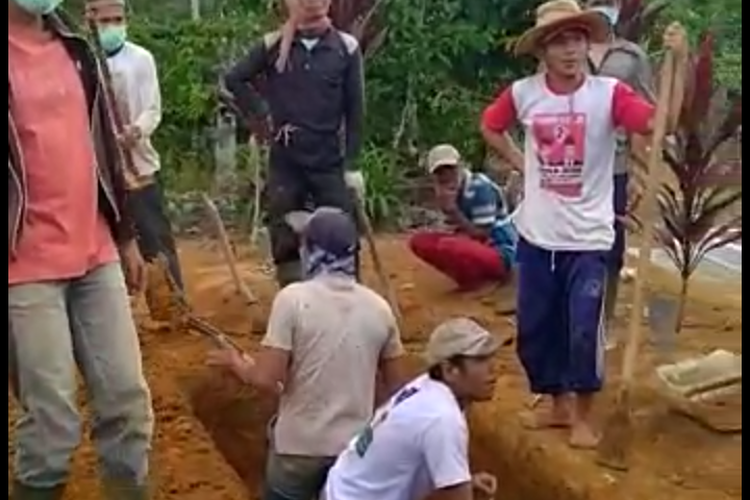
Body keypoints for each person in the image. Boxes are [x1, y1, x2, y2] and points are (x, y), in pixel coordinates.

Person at [480, 0, 686, 448]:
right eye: (559, 42)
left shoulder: (608, 93)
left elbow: (659, 122)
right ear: (543, 51)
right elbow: (491, 125)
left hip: (589, 236)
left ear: (586, 44)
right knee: (536, 327)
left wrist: (680, 63)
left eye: (576, 39)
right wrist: (520, 161)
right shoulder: (524, 94)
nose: (570, 50)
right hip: (537, 236)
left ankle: (584, 416)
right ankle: (556, 406)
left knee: (583, 326)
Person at [8, 1, 154, 499]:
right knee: (51, 423)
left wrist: (127, 233)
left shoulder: (75, 47)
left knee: (127, 402)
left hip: (96, 247)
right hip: (23, 262)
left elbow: (106, 148)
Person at [207, 206, 405, 500]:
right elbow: (399, 391)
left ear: (310, 250)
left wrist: (239, 364)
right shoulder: (379, 309)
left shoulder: (292, 300)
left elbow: (265, 380)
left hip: (298, 451)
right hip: (354, 452)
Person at [223, 0, 366, 288]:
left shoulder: (345, 48)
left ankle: (348, 295)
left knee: (342, 228)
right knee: (284, 230)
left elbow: (355, 110)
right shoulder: (274, 45)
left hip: (328, 159)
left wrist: (351, 164)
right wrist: (262, 111)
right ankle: (292, 297)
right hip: (286, 158)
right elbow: (235, 78)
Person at [323, 317, 500, 500]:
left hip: (346, 484)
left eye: (491, 357)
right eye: (480, 360)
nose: (494, 368)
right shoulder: (441, 418)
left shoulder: (425, 388)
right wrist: (461, 487)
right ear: (449, 370)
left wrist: (462, 482)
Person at [89, 0, 185, 290]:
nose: (112, 27)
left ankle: (171, 302)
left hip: (137, 162)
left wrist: (135, 132)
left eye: (117, 19)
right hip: (99, 170)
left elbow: (152, 108)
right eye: (105, 21)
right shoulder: (84, 59)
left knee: (154, 236)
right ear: (90, 21)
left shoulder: (140, 59)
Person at [586, 0, 655, 342]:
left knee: (611, 247)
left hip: (615, 166)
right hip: (572, 169)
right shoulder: (565, 49)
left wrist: (640, 172)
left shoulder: (632, 58)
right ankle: (575, 317)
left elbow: (646, 118)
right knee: (572, 244)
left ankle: (604, 322)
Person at [409, 144, 518, 291]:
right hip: (477, 244)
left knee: (449, 245)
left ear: (460, 167)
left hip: (500, 250)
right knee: (419, 242)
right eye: (440, 172)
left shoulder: (479, 188)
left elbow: (483, 234)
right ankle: (470, 278)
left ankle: (485, 280)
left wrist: (453, 211)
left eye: (450, 169)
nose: (446, 175)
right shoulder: (451, 190)